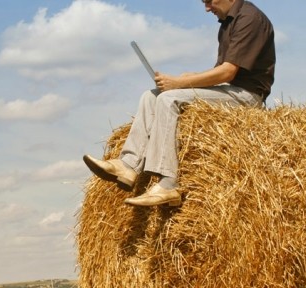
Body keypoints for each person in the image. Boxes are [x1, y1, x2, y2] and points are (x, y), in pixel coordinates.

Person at [83, 0, 275, 207]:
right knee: (151, 96)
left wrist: (181, 83)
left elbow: (228, 72)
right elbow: (221, 71)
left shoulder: (249, 19)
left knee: (168, 98)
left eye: (209, 1)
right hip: (231, 89)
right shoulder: (227, 22)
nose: (207, 8)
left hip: (247, 96)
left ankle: (168, 184)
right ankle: (128, 166)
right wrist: (192, 77)